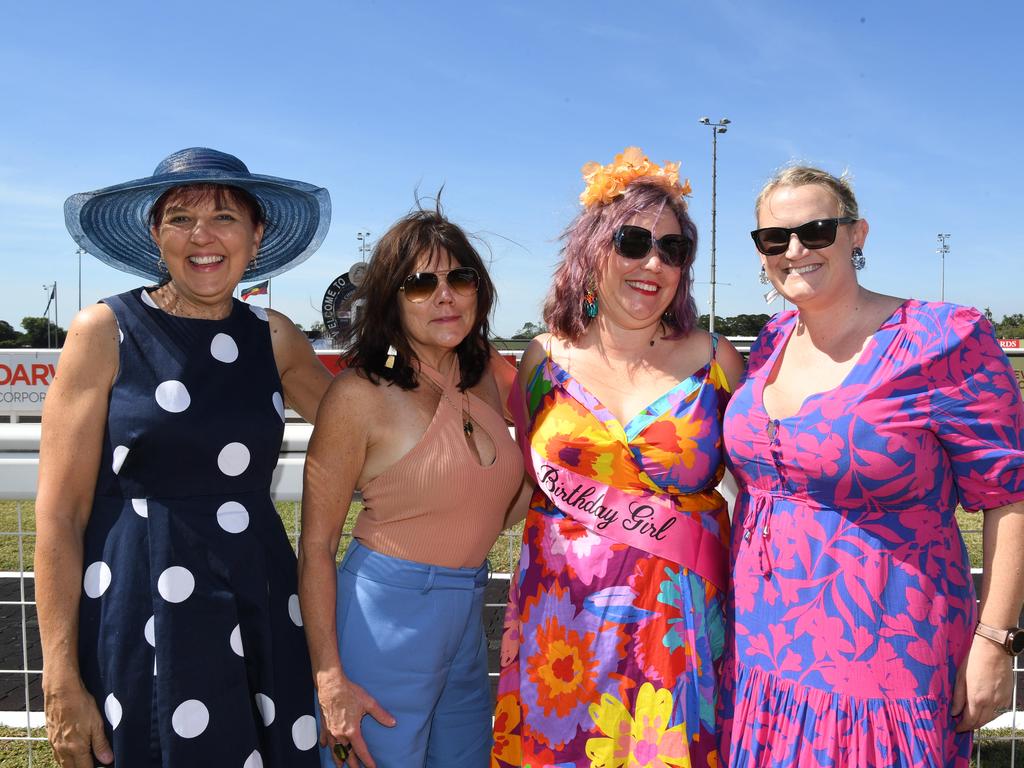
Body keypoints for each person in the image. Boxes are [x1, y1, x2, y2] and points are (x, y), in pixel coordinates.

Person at [37, 147, 334, 767]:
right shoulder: (103, 330)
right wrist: (60, 676)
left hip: (258, 596)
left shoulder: (274, 336)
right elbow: (60, 515)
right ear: (155, 235)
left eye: (226, 217)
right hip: (139, 605)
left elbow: (365, 428)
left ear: (257, 237)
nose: (203, 236)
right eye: (179, 218)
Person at [719, 164, 1024, 766]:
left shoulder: (944, 338)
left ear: (857, 235)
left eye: (817, 230)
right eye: (774, 239)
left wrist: (995, 641)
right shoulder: (771, 341)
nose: (796, 250)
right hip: (760, 643)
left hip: (888, 648)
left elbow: (1009, 496)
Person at [491, 147, 744, 768]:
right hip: (561, 626)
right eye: (632, 242)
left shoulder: (719, 362)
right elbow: (526, 475)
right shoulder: (542, 360)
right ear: (592, 250)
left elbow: (765, 486)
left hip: (678, 626)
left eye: (672, 249)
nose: (652, 263)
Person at [297, 204, 529, 768]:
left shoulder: (483, 379)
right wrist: (330, 680)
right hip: (381, 623)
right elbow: (316, 548)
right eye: (421, 283)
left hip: (467, 620)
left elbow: (506, 495)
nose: (445, 295)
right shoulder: (359, 395)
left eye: (460, 277)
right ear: (390, 301)